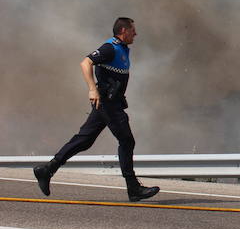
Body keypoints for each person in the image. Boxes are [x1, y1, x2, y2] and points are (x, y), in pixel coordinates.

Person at [33, 17, 159, 202]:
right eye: (133, 30)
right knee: (126, 141)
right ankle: (133, 188)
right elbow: (85, 63)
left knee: (84, 140)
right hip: (108, 103)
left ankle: (47, 170)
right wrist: (92, 88)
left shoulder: (122, 49)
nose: (136, 34)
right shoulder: (110, 48)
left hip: (109, 103)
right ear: (123, 31)